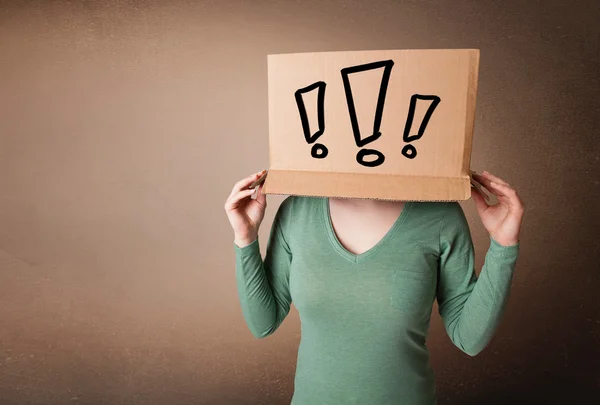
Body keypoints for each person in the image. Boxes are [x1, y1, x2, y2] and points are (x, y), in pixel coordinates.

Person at [224, 169, 524, 405]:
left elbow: (469, 338)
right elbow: (263, 323)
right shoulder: (297, 211)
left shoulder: (440, 215)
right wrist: (246, 237)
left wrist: (503, 245)